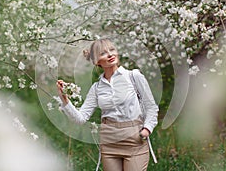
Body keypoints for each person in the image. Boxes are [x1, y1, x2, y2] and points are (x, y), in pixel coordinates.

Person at [56, 38, 158, 171]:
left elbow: (151, 107)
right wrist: (65, 100)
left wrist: (147, 129)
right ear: (96, 61)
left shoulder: (133, 76)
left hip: (134, 139)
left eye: (112, 50)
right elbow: (81, 118)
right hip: (109, 142)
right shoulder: (97, 88)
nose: (110, 55)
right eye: (103, 53)